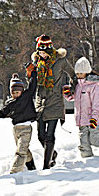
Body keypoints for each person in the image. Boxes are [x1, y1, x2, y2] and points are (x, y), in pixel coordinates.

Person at [31, 35, 70, 169]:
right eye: (39, 52)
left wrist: (69, 88)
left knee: (49, 135)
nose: (41, 55)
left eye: (43, 52)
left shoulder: (60, 61)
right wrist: (29, 74)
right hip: (41, 102)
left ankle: (46, 166)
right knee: (40, 135)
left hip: (55, 101)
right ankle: (52, 154)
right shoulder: (37, 63)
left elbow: (73, 74)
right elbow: (33, 82)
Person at [67, 57, 99, 158]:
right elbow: (74, 98)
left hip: (94, 120)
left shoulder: (94, 86)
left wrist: (94, 118)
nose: (78, 75)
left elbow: (98, 104)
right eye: (77, 73)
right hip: (82, 120)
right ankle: (87, 161)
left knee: (95, 141)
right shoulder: (78, 86)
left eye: (81, 73)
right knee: (84, 144)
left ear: (87, 72)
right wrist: (68, 94)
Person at [0, 72, 38, 174]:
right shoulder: (10, 103)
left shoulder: (26, 96)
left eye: (17, 92)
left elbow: (33, 86)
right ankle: (31, 166)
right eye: (13, 93)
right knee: (23, 149)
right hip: (16, 130)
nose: (15, 94)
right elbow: (3, 113)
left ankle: (14, 172)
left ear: (22, 91)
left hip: (26, 128)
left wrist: (33, 74)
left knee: (20, 152)